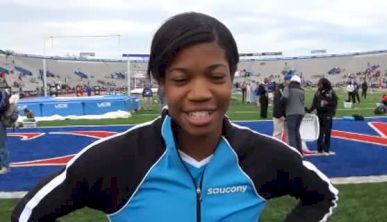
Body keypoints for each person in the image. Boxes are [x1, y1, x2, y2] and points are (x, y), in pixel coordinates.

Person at [12, 12, 338, 222]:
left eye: (216, 76)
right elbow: (27, 214)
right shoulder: (119, 159)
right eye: (181, 79)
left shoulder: (262, 156)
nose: (199, 92)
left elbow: (323, 195)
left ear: (232, 77)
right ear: (161, 82)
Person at [307, 78, 338, 154]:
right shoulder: (317, 93)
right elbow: (314, 104)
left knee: (327, 133)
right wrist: (308, 111)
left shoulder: (331, 92)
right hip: (319, 115)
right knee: (319, 132)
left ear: (325, 84)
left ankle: (326, 149)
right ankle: (319, 148)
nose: (319, 86)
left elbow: (335, 103)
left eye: (320, 84)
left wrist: (327, 102)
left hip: (328, 115)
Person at [282, 75, 305, 154]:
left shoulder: (288, 89)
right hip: (301, 112)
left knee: (291, 133)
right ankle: (300, 151)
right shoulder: (302, 90)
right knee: (297, 132)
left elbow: (284, 99)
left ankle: (294, 153)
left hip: (291, 112)